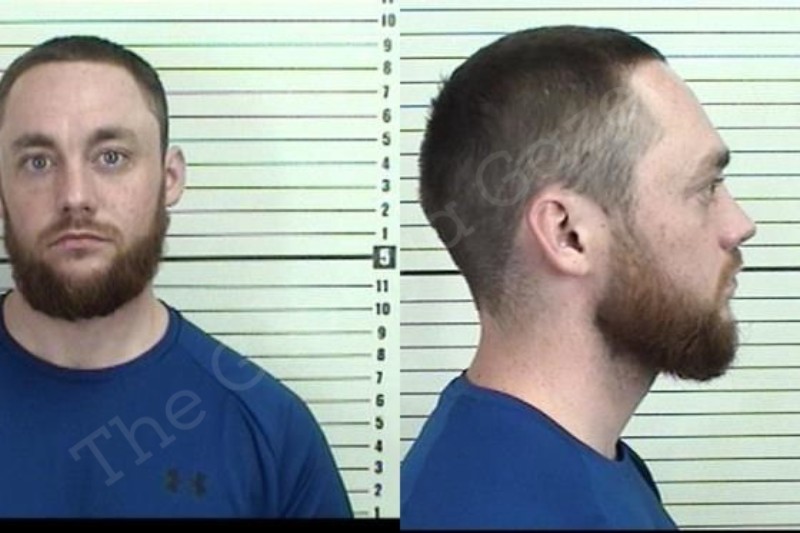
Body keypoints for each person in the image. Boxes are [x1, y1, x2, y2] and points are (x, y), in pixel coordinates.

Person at [401, 25, 756, 529]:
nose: (739, 225)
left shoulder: (580, 461)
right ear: (568, 235)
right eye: (705, 188)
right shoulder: (498, 511)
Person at [0, 35, 352, 518]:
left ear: (170, 179)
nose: (75, 196)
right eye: (38, 162)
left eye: (110, 157)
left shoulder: (271, 432)